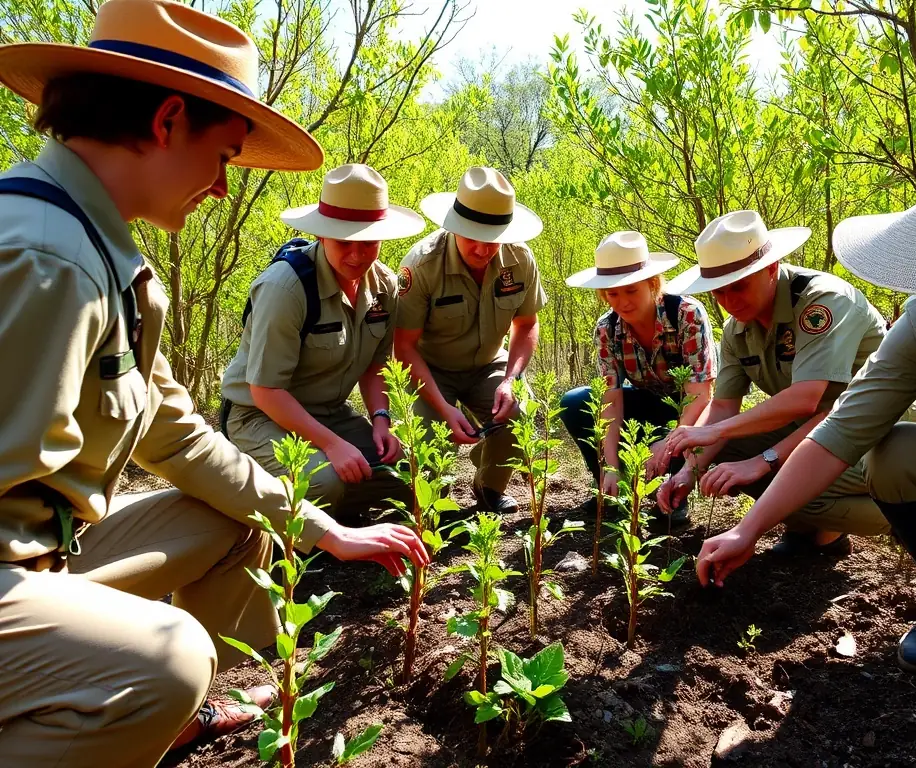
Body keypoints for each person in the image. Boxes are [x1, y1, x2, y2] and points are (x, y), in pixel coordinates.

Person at [0, 2, 429, 766]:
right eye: (226, 157)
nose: (224, 189)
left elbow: (179, 438)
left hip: (43, 560)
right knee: (170, 659)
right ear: (168, 121)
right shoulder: (48, 260)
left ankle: (143, 712)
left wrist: (324, 529)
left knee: (236, 515)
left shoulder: (105, 258)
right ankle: (117, 700)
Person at [696, 144, 916, 673]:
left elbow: (807, 401)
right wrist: (747, 529)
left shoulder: (820, 300)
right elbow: (842, 428)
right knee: (898, 453)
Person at [656, 210, 916, 556]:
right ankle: (809, 530)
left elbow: (807, 398)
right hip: (822, 427)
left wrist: (761, 459)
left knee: (787, 479)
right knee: (727, 442)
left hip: (887, 432)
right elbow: (724, 406)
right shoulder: (736, 330)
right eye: (718, 293)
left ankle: (913, 512)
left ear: (771, 268)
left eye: (739, 286)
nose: (729, 302)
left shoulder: (822, 301)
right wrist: (688, 472)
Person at [220, 163, 424, 521]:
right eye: (345, 242)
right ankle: (248, 487)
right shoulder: (285, 288)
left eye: (369, 243)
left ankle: (334, 510)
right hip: (259, 417)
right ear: (322, 236)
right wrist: (332, 446)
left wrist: (381, 421)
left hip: (328, 414)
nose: (357, 256)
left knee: (414, 473)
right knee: (324, 482)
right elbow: (265, 391)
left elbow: (376, 366)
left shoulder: (384, 287)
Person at [394, 166, 546, 513]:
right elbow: (402, 346)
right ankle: (433, 509)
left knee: (520, 414)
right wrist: (445, 409)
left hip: (487, 363)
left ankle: (488, 486)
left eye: (492, 238)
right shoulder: (422, 264)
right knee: (432, 444)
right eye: (472, 236)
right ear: (453, 226)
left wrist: (511, 379)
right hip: (430, 371)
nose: (483, 248)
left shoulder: (519, 258)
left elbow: (526, 324)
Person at [559, 230, 716, 526]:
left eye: (631, 290)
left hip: (689, 410)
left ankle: (675, 492)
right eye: (612, 294)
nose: (622, 302)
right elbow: (611, 401)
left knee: (695, 413)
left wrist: (668, 443)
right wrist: (611, 465)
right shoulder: (607, 329)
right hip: (645, 405)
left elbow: (702, 396)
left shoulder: (687, 315)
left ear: (652, 283)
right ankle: (611, 486)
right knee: (576, 402)